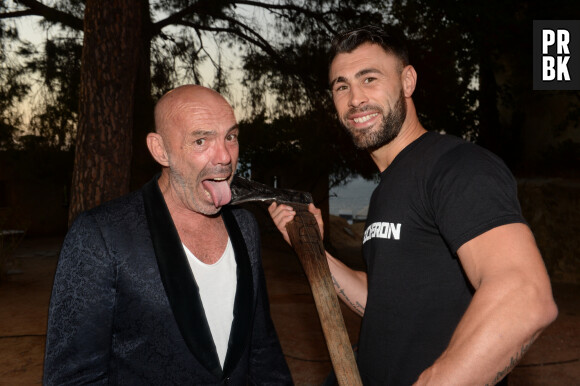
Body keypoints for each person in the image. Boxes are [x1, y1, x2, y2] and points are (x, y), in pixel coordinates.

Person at [269, 25, 558, 385]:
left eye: (369, 78)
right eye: (341, 86)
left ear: (407, 82)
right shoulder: (387, 190)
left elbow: (523, 295)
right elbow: (385, 300)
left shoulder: (456, 166)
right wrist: (312, 249)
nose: (355, 98)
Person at [44, 85, 292, 385]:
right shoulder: (101, 235)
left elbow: (261, 349)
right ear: (160, 150)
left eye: (231, 137)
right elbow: (74, 378)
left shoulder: (245, 227)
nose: (225, 157)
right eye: (201, 141)